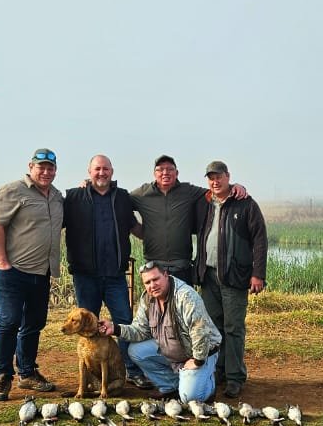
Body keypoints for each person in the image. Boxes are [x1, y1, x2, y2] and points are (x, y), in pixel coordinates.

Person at [62, 154, 147, 386]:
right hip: (85, 276)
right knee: (87, 326)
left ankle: (130, 370)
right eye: (97, 169)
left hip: (114, 276)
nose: (102, 173)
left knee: (124, 322)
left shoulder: (122, 198)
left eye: (106, 169)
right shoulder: (74, 197)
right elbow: (50, 221)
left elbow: (134, 227)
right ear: (89, 172)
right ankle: (90, 376)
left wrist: (160, 234)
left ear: (112, 171)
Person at [0, 148, 63, 401]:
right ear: (31, 166)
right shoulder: (13, 191)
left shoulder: (56, 196)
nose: (46, 172)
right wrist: (1, 261)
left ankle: (27, 373)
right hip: (13, 271)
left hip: (41, 272)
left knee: (33, 324)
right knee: (9, 323)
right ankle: (1, 377)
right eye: (41, 167)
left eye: (50, 168)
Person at [194, 160, 267, 398]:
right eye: (211, 178)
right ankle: (219, 372)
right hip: (209, 276)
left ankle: (235, 378)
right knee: (213, 328)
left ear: (228, 177)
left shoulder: (245, 204)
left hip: (234, 276)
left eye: (219, 177)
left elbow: (259, 239)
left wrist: (258, 274)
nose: (215, 181)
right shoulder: (204, 203)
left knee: (233, 328)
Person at [98, 261, 221, 402]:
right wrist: (115, 328)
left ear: (166, 275)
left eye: (155, 279)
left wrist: (198, 360)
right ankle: (171, 387)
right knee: (136, 351)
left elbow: (200, 331)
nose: (152, 285)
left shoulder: (185, 296)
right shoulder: (147, 298)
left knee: (190, 398)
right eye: (147, 282)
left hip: (201, 352)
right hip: (174, 350)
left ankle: (209, 383)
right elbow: (140, 330)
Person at [130, 156, 247, 284]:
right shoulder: (142, 194)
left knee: (185, 303)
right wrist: (136, 228)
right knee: (157, 304)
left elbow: (215, 191)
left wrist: (234, 186)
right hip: (154, 268)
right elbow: (122, 204)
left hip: (182, 267)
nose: (165, 173)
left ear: (177, 173)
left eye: (170, 169)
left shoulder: (188, 191)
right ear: (154, 173)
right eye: (160, 169)